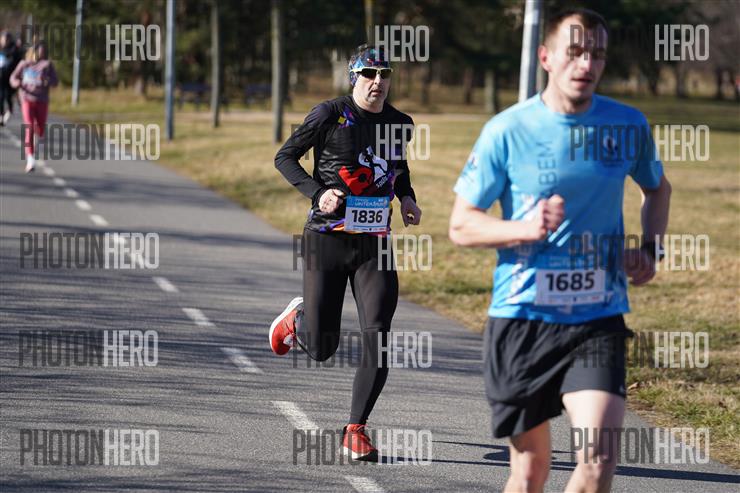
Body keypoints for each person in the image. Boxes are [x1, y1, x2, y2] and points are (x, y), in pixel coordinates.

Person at [449, 8, 671, 493]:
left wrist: (650, 249)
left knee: (598, 462)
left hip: (597, 316)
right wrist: (525, 228)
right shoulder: (507, 130)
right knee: (530, 472)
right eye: (575, 52)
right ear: (546, 57)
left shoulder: (627, 124)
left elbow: (657, 188)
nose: (586, 64)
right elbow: (461, 225)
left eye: (597, 54)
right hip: (523, 318)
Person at [269, 44, 422, 461]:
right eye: (369, 73)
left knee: (379, 333)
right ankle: (297, 320)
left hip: (374, 244)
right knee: (322, 347)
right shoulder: (330, 114)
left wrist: (407, 198)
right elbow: (285, 157)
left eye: (384, 74)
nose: (377, 81)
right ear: (354, 77)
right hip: (327, 239)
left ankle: (356, 429)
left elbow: (397, 167)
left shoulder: (400, 123)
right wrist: (318, 193)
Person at [10, 41, 58, 173]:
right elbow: (13, 77)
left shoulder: (47, 65)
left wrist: (47, 81)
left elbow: (55, 82)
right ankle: (30, 159)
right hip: (27, 99)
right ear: (33, 51)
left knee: (40, 129)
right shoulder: (24, 64)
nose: (41, 53)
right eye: (39, 50)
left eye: (43, 51)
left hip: (42, 100)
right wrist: (17, 82)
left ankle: (36, 145)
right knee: (29, 127)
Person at [0, 31, 21, 126]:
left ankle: (9, 111)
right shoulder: (1, 50)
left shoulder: (14, 50)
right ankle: (1, 115)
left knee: (8, 97)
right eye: (3, 39)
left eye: (7, 39)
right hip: (1, 78)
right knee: (0, 97)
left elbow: (18, 63)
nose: (5, 41)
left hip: (10, 79)